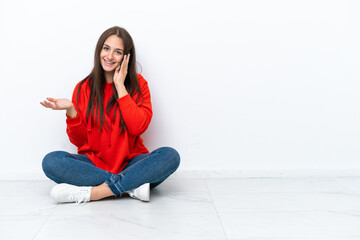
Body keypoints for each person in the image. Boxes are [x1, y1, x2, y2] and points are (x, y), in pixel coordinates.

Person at [40, 26, 180, 204]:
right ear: (99, 50)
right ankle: (131, 186)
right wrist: (71, 111)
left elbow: (138, 127)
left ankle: (96, 192)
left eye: (118, 52)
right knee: (51, 161)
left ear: (126, 57)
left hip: (131, 163)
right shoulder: (83, 88)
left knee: (170, 156)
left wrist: (120, 86)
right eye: (106, 48)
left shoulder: (139, 84)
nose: (109, 56)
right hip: (93, 164)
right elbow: (80, 142)